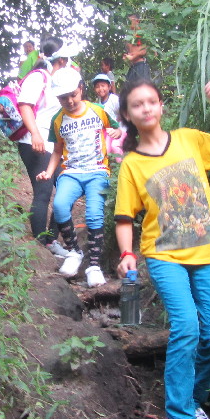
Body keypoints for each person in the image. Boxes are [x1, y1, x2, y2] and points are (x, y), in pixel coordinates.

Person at [113, 77, 210, 419]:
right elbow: (124, 217)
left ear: (161, 106)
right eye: (137, 104)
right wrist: (127, 254)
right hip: (164, 256)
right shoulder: (132, 164)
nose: (146, 108)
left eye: (151, 101)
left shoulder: (189, 140)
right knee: (187, 326)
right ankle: (176, 417)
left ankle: (192, 401)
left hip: (207, 253)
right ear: (128, 115)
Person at [36, 67, 122, 287]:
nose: (70, 101)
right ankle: (75, 251)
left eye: (73, 95)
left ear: (81, 89)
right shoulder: (58, 120)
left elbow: (117, 128)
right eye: (63, 98)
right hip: (71, 173)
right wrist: (48, 171)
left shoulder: (98, 110)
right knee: (60, 205)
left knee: (94, 214)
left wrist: (116, 132)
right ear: (57, 98)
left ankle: (94, 265)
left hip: (98, 171)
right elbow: (57, 151)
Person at [15, 46, 71, 261]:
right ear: (61, 61)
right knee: (44, 191)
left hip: (52, 144)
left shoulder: (57, 83)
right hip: (34, 141)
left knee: (65, 190)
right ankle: (42, 244)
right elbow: (25, 105)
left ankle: (51, 240)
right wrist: (35, 134)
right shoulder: (38, 77)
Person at [92, 72, 125, 162]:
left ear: (109, 87)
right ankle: (107, 165)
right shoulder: (99, 102)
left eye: (103, 86)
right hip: (110, 130)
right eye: (97, 87)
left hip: (121, 128)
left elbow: (125, 112)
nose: (100, 89)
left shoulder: (114, 99)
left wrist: (120, 120)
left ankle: (121, 165)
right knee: (105, 147)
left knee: (115, 145)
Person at [123, 14, 151, 85]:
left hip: (140, 66)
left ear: (137, 21)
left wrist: (133, 57)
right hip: (133, 67)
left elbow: (144, 50)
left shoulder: (140, 34)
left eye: (130, 21)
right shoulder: (130, 35)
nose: (129, 23)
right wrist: (127, 57)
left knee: (142, 87)